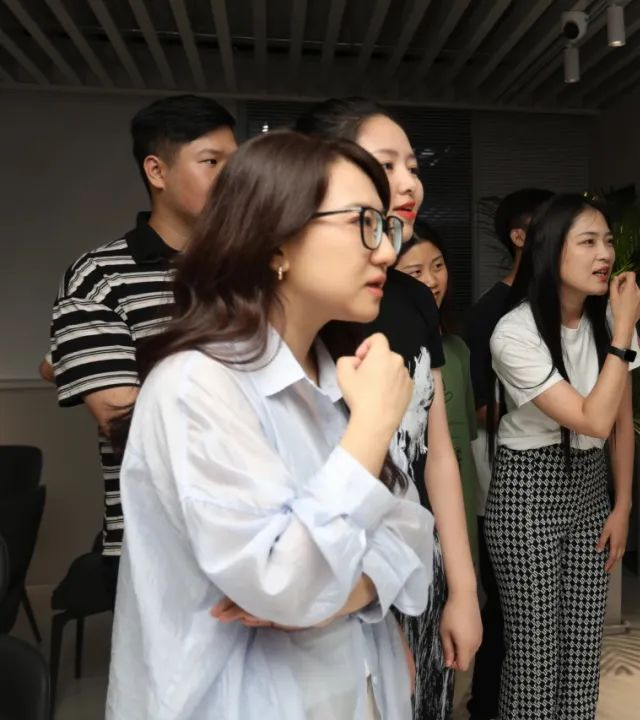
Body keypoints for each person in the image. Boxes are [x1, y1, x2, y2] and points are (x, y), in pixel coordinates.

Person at [106, 130, 434, 720]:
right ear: (275, 241)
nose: (388, 251)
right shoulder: (196, 385)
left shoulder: (343, 374)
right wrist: (370, 430)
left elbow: (411, 535)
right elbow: (284, 581)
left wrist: (342, 595)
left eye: (386, 226)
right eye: (364, 222)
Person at [295, 99, 481, 720]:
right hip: (334, 574)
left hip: (415, 557)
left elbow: (437, 456)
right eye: (386, 164)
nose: (409, 184)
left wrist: (463, 589)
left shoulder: (411, 298)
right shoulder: (313, 306)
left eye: (413, 167)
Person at [50, 94, 236, 591]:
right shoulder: (99, 277)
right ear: (157, 171)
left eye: (235, 163)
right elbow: (127, 424)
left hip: (264, 530)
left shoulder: (255, 270)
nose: (232, 179)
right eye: (211, 162)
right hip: (157, 542)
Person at [487, 194, 640, 719]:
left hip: (590, 488)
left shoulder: (612, 322)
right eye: (588, 242)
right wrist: (622, 332)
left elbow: (620, 421)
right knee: (535, 662)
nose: (605, 254)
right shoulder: (514, 332)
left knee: (582, 658)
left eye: (608, 241)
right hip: (528, 490)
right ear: (551, 250)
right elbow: (592, 418)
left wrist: (621, 506)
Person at [463, 187, 552, 720]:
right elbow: (477, 408)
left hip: (565, 482)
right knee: (506, 612)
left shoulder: (569, 305)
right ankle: (486, 706)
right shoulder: (492, 313)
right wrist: (556, 408)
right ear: (519, 237)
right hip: (503, 481)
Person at [395, 220, 479, 562]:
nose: (431, 280)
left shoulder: (457, 350)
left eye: (438, 266)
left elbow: (462, 448)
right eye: (415, 272)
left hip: (456, 499)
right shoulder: (382, 356)